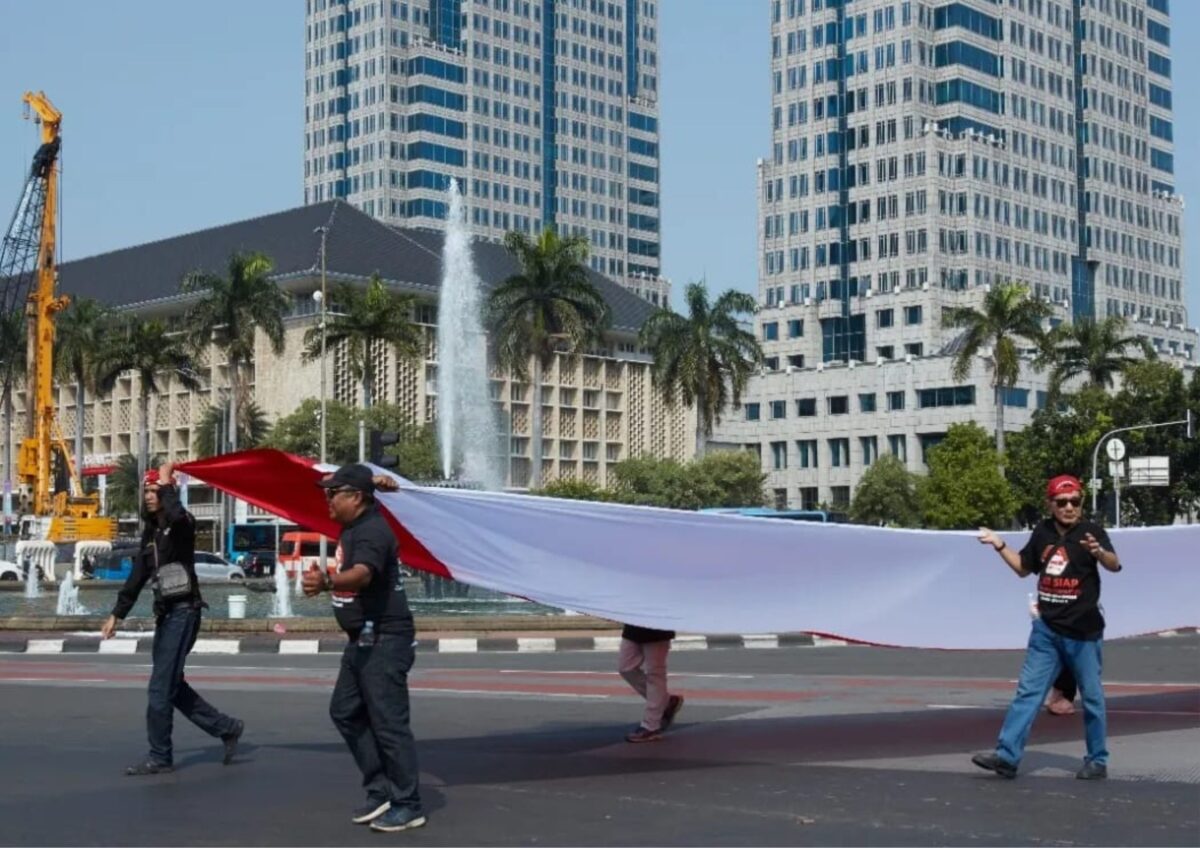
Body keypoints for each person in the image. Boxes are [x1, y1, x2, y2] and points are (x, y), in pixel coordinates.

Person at [972, 474, 1122, 780]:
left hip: (1083, 632)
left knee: (1092, 698)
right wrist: (1000, 545)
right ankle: (1007, 756)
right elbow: (1023, 568)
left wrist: (1098, 552)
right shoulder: (1042, 531)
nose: (1069, 507)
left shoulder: (1092, 532)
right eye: (1062, 502)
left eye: (1075, 501)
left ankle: (1097, 760)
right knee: (1028, 693)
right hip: (1047, 631)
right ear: (1050, 504)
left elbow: (1114, 564)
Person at [302, 464, 426, 833]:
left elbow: (364, 573)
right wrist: (374, 481)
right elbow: (363, 488)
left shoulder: (372, 531)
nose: (327, 499)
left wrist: (328, 582)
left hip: (386, 638)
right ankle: (381, 788)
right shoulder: (358, 521)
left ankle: (408, 804)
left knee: (389, 725)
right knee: (344, 711)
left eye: (333, 493)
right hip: (362, 639)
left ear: (355, 498)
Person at [101, 463, 244, 775]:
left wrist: (168, 483)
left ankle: (160, 757)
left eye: (156, 491)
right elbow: (137, 576)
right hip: (166, 615)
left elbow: (177, 514)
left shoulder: (182, 524)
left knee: (159, 689)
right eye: (147, 491)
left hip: (184, 612)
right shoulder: (151, 532)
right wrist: (117, 614)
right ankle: (226, 727)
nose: (150, 496)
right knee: (171, 686)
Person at [619, 624, 685, 743]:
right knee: (626, 668)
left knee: (655, 674)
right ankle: (666, 702)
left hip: (657, 628)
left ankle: (651, 726)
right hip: (633, 626)